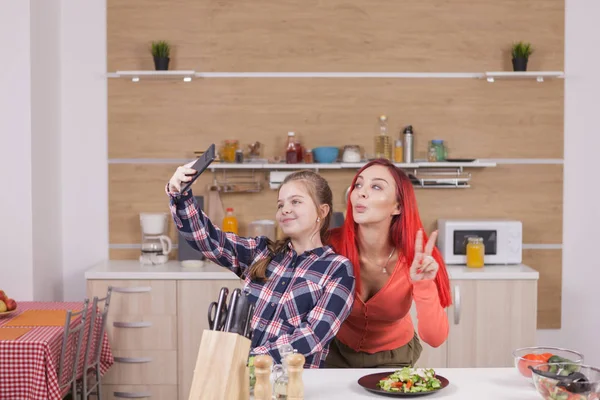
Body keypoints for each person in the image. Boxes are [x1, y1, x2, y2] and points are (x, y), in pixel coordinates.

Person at [167, 166, 355, 368]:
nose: (285, 209)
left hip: (290, 384)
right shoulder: (261, 252)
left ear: (322, 211)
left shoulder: (337, 270)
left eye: (296, 202)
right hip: (239, 376)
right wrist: (181, 193)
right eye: (280, 204)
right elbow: (207, 239)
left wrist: (246, 359)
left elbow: (311, 337)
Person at [324, 158, 451, 368]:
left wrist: (424, 284)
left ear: (398, 206)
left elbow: (435, 339)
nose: (361, 193)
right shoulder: (329, 246)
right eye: (358, 184)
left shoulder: (417, 257)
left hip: (395, 359)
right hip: (334, 353)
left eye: (376, 186)